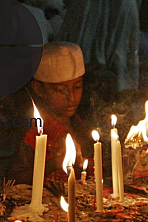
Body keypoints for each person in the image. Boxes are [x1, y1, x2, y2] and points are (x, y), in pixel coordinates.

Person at [8, 41, 92, 184]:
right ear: (39, 89)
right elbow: (13, 181)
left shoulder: (78, 122)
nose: (71, 97)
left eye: (77, 87)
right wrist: (52, 165)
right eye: (60, 90)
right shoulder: (33, 131)